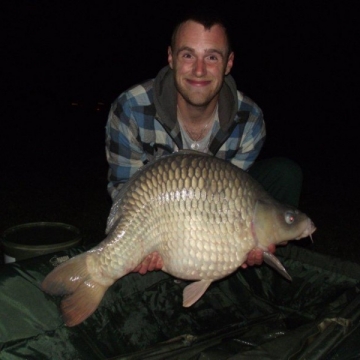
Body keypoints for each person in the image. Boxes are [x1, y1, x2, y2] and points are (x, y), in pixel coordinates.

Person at [105, 13, 302, 274]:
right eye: (188, 55)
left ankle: (248, 266)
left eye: (212, 57)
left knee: (285, 174)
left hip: (208, 210)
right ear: (171, 58)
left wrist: (240, 244)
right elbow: (124, 193)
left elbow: (232, 198)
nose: (199, 70)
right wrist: (141, 243)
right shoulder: (130, 108)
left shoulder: (250, 120)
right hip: (155, 215)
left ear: (228, 63)